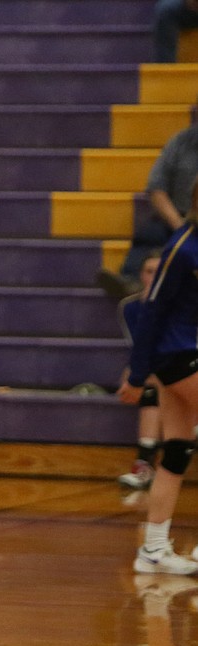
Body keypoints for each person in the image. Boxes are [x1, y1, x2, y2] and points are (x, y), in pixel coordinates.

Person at [117, 177, 198, 576]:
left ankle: (152, 550)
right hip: (177, 355)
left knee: (179, 449)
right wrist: (138, 373)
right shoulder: (181, 249)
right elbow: (151, 311)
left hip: (186, 352)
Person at [100, 123, 198, 297]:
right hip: (178, 217)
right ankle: (130, 282)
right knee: (151, 233)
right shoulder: (180, 142)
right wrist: (179, 225)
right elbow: (156, 188)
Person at [117, 252, 164, 490]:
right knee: (147, 386)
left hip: (186, 367)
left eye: (159, 271)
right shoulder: (130, 307)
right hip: (163, 371)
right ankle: (144, 465)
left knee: (151, 381)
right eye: (149, 271)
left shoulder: (183, 304)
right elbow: (141, 347)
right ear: (140, 275)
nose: (154, 277)